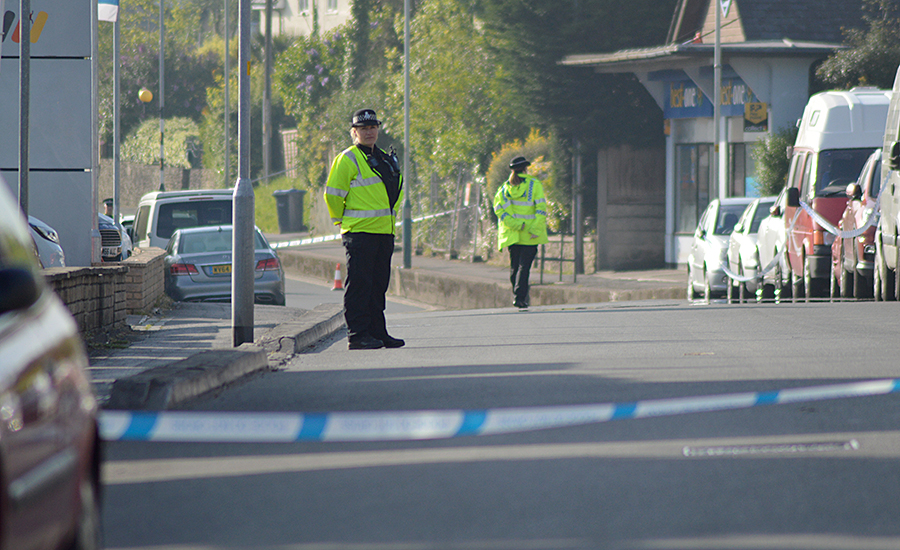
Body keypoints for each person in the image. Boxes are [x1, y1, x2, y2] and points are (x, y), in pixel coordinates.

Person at [324, 108, 405, 350]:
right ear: (354, 132)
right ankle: (358, 334)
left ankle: (378, 332)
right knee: (360, 285)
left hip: (383, 231)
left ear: (378, 129)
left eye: (372, 127)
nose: (369, 132)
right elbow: (333, 194)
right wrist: (341, 220)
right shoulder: (347, 158)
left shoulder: (384, 158)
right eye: (363, 129)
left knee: (378, 286)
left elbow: (395, 192)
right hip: (359, 233)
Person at [493, 156, 548, 309]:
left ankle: (518, 294)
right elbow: (541, 209)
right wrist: (534, 229)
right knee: (524, 267)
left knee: (515, 268)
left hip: (513, 234)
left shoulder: (503, 189)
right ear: (526, 169)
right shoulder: (534, 185)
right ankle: (519, 296)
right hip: (530, 234)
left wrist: (516, 225)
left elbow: (499, 210)